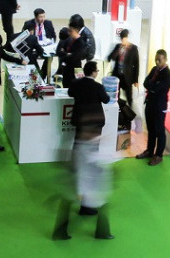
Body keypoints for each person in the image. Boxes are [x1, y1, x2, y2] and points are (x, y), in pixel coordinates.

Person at [53, 61, 114, 241]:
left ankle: (84, 208)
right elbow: (106, 99)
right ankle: (88, 209)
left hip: (80, 129)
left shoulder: (76, 84)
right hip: (92, 132)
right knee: (89, 170)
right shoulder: (97, 87)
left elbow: (70, 93)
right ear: (94, 72)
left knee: (81, 169)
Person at [136, 49, 170, 166]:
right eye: (156, 59)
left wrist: (152, 86)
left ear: (165, 59)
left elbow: (159, 88)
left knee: (159, 131)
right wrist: (153, 86)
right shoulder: (154, 69)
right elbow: (145, 83)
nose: (157, 62)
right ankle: (150, 151)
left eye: (159, 60)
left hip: (159, 106)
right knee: (151, 129)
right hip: (150, 103)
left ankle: (158, 155)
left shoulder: (168, 74)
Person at [107, 29, 140, 107]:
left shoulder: (133, 48)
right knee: (116, 96)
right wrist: (118, 51)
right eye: (121, 39)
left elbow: (136, 64)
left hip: (128, 76)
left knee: (129, 97)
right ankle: (117, 110)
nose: (123, 41)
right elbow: (110, 58)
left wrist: (136, 80)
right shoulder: (118, 46)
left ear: (127, 38)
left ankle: (130, 110)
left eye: (124, 39)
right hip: (117, 75)